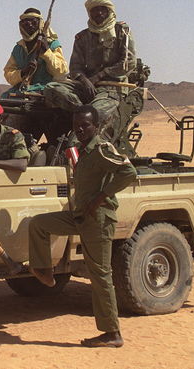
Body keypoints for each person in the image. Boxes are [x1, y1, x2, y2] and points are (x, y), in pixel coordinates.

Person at [27, 105, 137, 348]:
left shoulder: (100, 148)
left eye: (85, 125)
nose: (80, 128)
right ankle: (44, 271)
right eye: (77, 125)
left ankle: (112, 333)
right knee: (39, 224)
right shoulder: (82, 150)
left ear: (96, 126)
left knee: (100, 276)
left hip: (98, 219)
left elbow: (128, 172)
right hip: (80, 216)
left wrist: (101, 197)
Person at [43, 0, 137, 128]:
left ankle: (86, 116)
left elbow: (129, 62)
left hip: (112, 88)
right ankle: (82, 111)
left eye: (102, 9)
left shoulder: (122, 31)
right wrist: (84, 80)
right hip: (86, 86)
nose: (98, 13)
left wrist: (99, 75)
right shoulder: (82, 37)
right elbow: (75, 67)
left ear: (109, 10)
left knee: (95, 116)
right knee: (51, 88)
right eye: (94, 10)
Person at [2, 7, 68, 96]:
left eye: (33, 21)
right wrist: (23, 72)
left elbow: (62, 71)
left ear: (40, 23)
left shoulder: (52, 44)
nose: (29, 25)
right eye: (25, 22)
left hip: (47, 89)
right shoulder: (18, 48)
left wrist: (47, 53)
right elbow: (8, 73)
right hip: (23, 89)